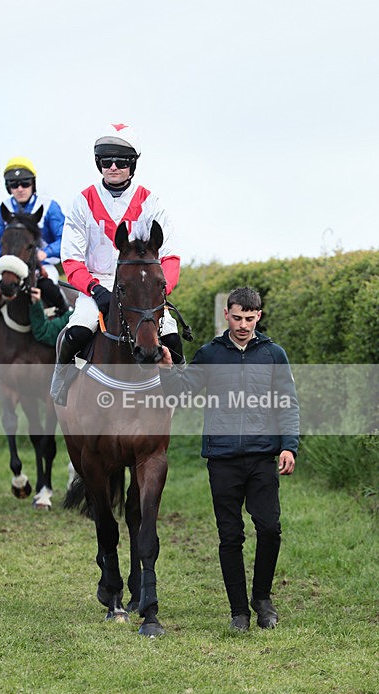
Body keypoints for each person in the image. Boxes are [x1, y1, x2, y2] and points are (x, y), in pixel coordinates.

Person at [159, 287, 300, 632]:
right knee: (230, 535)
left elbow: (288, 402)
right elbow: (180, 393)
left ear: (259, 317)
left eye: (249, 319)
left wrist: (288, 446)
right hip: (222, 458)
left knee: (269, 528)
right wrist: (167, 369)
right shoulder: (209, 354)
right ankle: (239, 611)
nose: (243, 325)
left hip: (263, 456)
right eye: (237, 318)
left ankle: (262, 599)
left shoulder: (273, 355)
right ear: (227, 314)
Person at [51, 122, 182, 406]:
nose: (112, 167)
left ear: (132, 165)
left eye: (121, 161)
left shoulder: (151, 202)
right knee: (78, 331)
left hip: (141, 286)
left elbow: (170, 256)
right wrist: (96, 290)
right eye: (106, 160)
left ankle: (179, 390)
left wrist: (162, 289)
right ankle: (60, 381)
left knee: (171, 336)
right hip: (95, 282)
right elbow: (72, 259)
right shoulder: (82, 202)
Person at [0, 156, 66, 357]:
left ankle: (65, 333)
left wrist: (47, 252)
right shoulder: (0, 211)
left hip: (41, 266)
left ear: (33, 184)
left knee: (53, 290)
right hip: (9, 268)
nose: (20, 188)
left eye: (25, 183)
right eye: (14, 184)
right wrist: (8, 257)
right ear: (8, 187)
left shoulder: (50, 207)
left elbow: (66, 239)